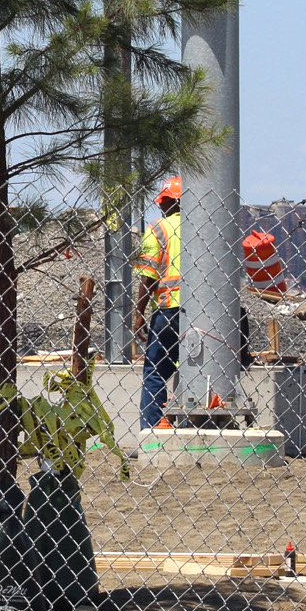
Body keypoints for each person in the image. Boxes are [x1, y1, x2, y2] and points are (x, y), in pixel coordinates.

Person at [134, 176, 184, 429]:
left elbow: (148, 274)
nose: (160, 207)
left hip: (169, 309)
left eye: (163, 201)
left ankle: (154, 426)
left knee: (155, 371)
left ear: (170, 201)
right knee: (195, 365)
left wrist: (139, 312)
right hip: (207, 311)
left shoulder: (158, 228)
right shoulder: (210, 227)